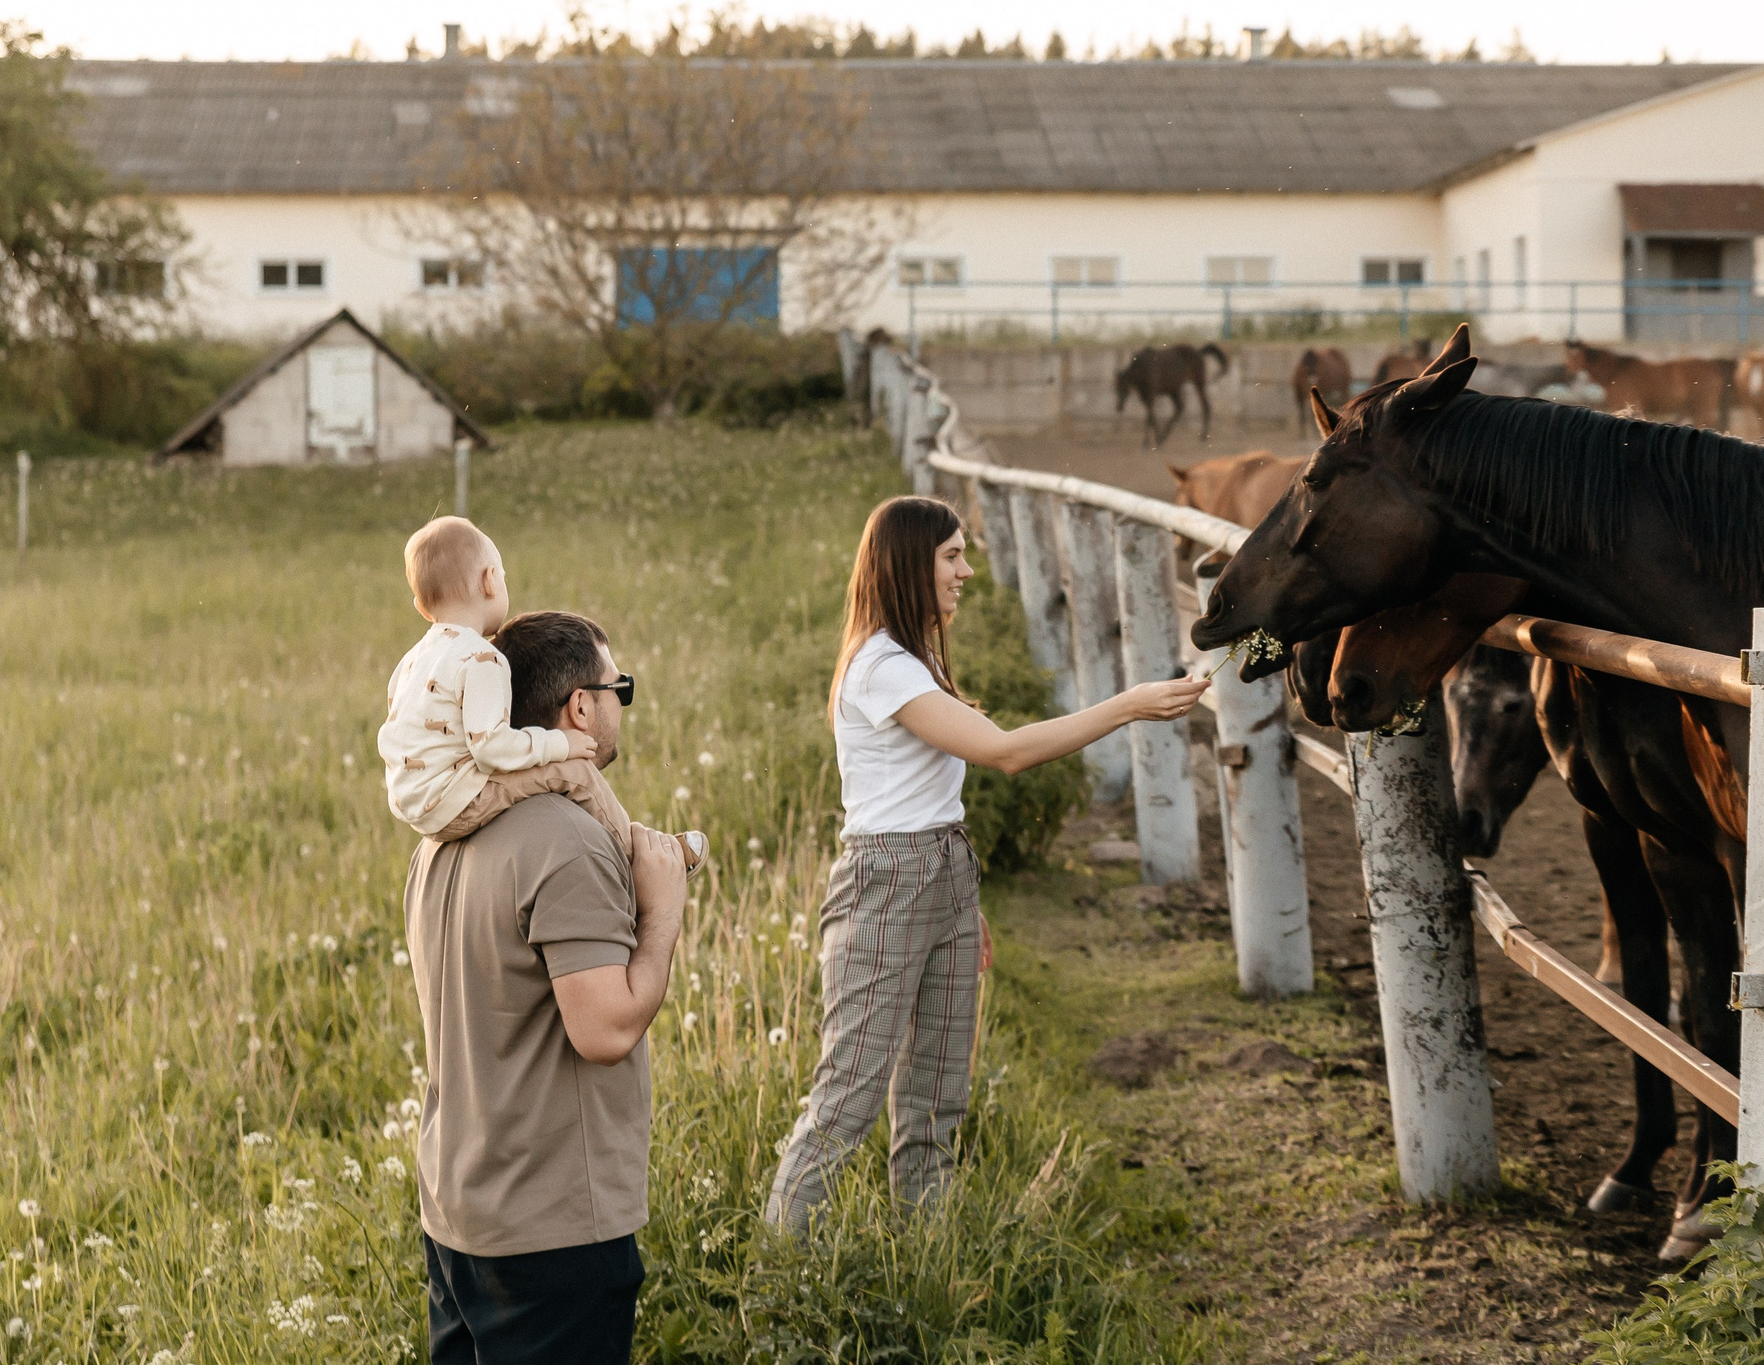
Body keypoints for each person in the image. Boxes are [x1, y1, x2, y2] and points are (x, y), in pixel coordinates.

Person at [763, 495, 1209, 1230]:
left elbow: (930, 796)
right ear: (911, 563)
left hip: (941, 870)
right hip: (886, 884)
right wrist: (1127, 705)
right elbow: (1002, 752)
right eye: (952, 555)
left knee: (938, 1098)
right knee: (848, 1097)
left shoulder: (919, 656)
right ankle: (781, 1273)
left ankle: (926, 1259)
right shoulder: (879, 664)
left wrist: (962, 905)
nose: (967, 571)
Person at [407, 609, 688, 1365]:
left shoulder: (443, 834)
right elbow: (606, 1030)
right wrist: (661, 915)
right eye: (617, 686)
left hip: (458, 1208)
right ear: (579, 708)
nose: (621, 701)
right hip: (551, 1225)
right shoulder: (564, 839)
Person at [383, 515, 703, 870]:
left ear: (421, 606)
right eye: (503, 577)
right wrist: (561, 745)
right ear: (490, 581)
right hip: (454, 802)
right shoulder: (481, 657)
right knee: (575, 773)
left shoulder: (412, 660)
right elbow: (491, 750)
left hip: (416, 807)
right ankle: (641, 863)